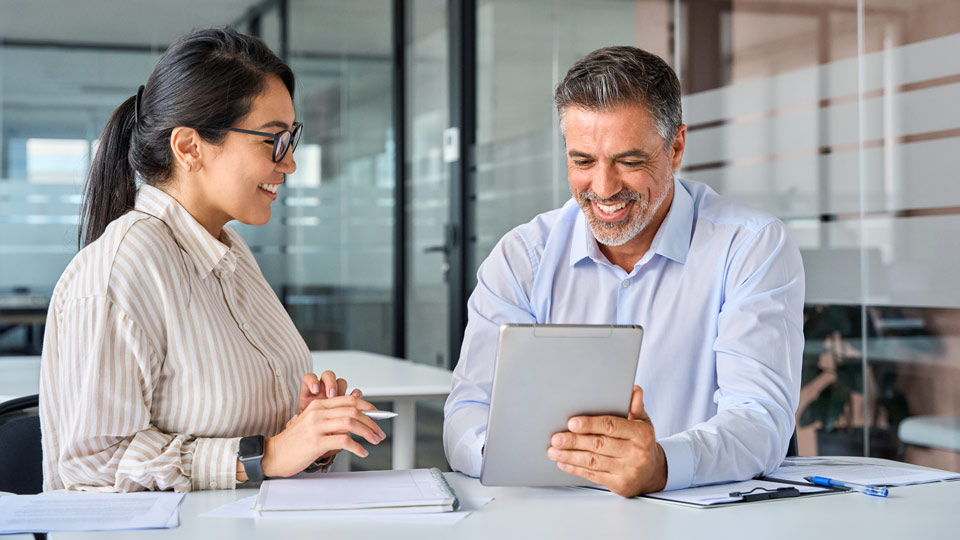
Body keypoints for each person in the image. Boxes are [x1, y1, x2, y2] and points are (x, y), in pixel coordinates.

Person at [443, 46, 804, 497]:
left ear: (675, 148)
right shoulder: (523, 256)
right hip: (546, 514)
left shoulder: (749, 246)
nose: (604, 188)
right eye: (582, 161)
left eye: (629, 161)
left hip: (694, 515)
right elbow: (468, 410)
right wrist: (508, 456)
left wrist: (662, 465)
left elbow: (760, 418)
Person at [39, 27, 386, 493]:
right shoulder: (123, 269)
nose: (289, 164)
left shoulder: (230, 251)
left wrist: (304, 429)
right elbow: (92, 466)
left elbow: (244, 435)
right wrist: (263, 456)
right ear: (189, 147)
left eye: (290, 139)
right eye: (271, 141)